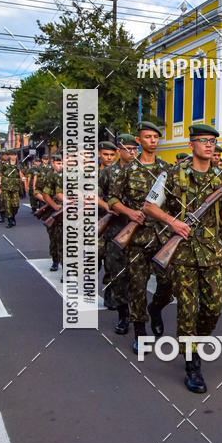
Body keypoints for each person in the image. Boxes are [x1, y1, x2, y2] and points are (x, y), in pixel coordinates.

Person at [144, 123, 222, 393]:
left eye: (213, 141)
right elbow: (149, 206)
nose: (209, 145)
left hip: (212, 254)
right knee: (186, 311)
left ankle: (195, 342)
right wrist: (172, 222)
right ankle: (192, 362)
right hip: (182, 253)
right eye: (203, 140)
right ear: (191, 145)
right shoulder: (172, 175)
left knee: (213, 309)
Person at [108, 122, 173, 353]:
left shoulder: (168, 170)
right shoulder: (127, 171)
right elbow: (112, 200)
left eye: (156, 137)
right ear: (139, 140)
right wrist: (129, 212)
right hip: (136, 238)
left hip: (162, 237)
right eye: (148, 137)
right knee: (137, 286)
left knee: (168, 284)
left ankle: (155, 309)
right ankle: (140, 332)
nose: (153, 141)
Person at [99, 135, 138, 335]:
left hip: (139, 232)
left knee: (138, 277)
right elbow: (95, 194)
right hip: (115, 231)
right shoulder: (107, 173)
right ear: (120, 150)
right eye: (129, 148)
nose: (132, 151)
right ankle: (123, 315)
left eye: (135, 148)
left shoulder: (143, 171)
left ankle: (140, 315)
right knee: (119, 275)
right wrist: (109, 207)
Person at [97, 142, 118, 307]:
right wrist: (108, 207)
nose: (109, 158)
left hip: (114, 225)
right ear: (99, 155)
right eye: (106, 154)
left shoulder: (118, 174)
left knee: (112, 261)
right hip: (95, 222)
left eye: (112, 155)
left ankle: (109, 292)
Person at [39, 153, 64, 272]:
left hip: (68, 210)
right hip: (54, 211)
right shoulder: (49, 176)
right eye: (58, 163)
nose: (61, 166)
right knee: (54, 238)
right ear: (53, 163)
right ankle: (55, 260)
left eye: (62, 163)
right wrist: (54, 206)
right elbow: (44, 194)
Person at [0, 149, 22, 227]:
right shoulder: (4, 165)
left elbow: (21, 174)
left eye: (15, 155)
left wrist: (23, 179)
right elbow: (0, 176)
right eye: (12, 155)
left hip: (15, 187)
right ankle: (10, 220)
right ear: (9, 156)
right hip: (5, 187)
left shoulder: (19, 165)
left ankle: (13, 216)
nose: (13, 156)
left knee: (16, 205)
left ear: (16, 156)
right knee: (7, 204)